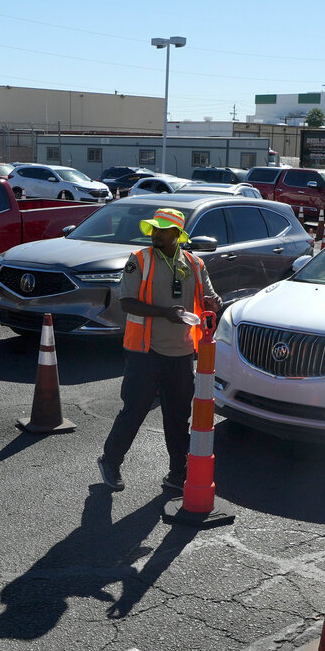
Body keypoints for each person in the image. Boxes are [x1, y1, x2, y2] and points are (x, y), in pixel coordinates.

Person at [97, 207, 220, 494]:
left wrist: (214, 302)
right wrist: (166, 313)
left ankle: (178, 474)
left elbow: (208, 297)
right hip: (145, 351)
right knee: (135, 410)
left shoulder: (194, 263)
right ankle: (111, 461)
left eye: (163, 230)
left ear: (177, 234)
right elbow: (127, 303)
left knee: (178, 417)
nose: (156, 234)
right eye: (154, 229)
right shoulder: (140, 260)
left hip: (181, 352)